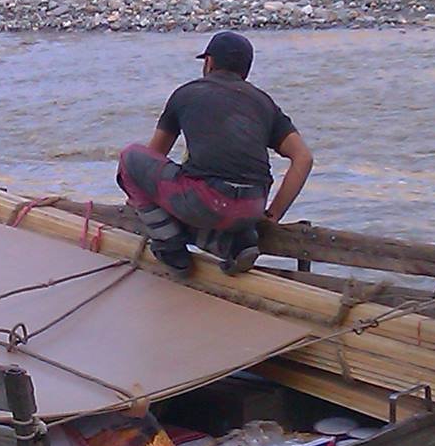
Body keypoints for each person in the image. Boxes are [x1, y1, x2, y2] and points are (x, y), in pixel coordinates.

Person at [116, 30, 313, 276]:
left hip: (206, 201)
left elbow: (153, 155)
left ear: (208, 62)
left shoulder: (186, 94)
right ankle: (230, 244)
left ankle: (171, 249)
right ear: (246, 70)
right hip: (252, 207)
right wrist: (272, 215)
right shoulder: (265, 103)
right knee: (207, 191)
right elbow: (303, 158)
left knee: (130, 158)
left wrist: (141, 205)